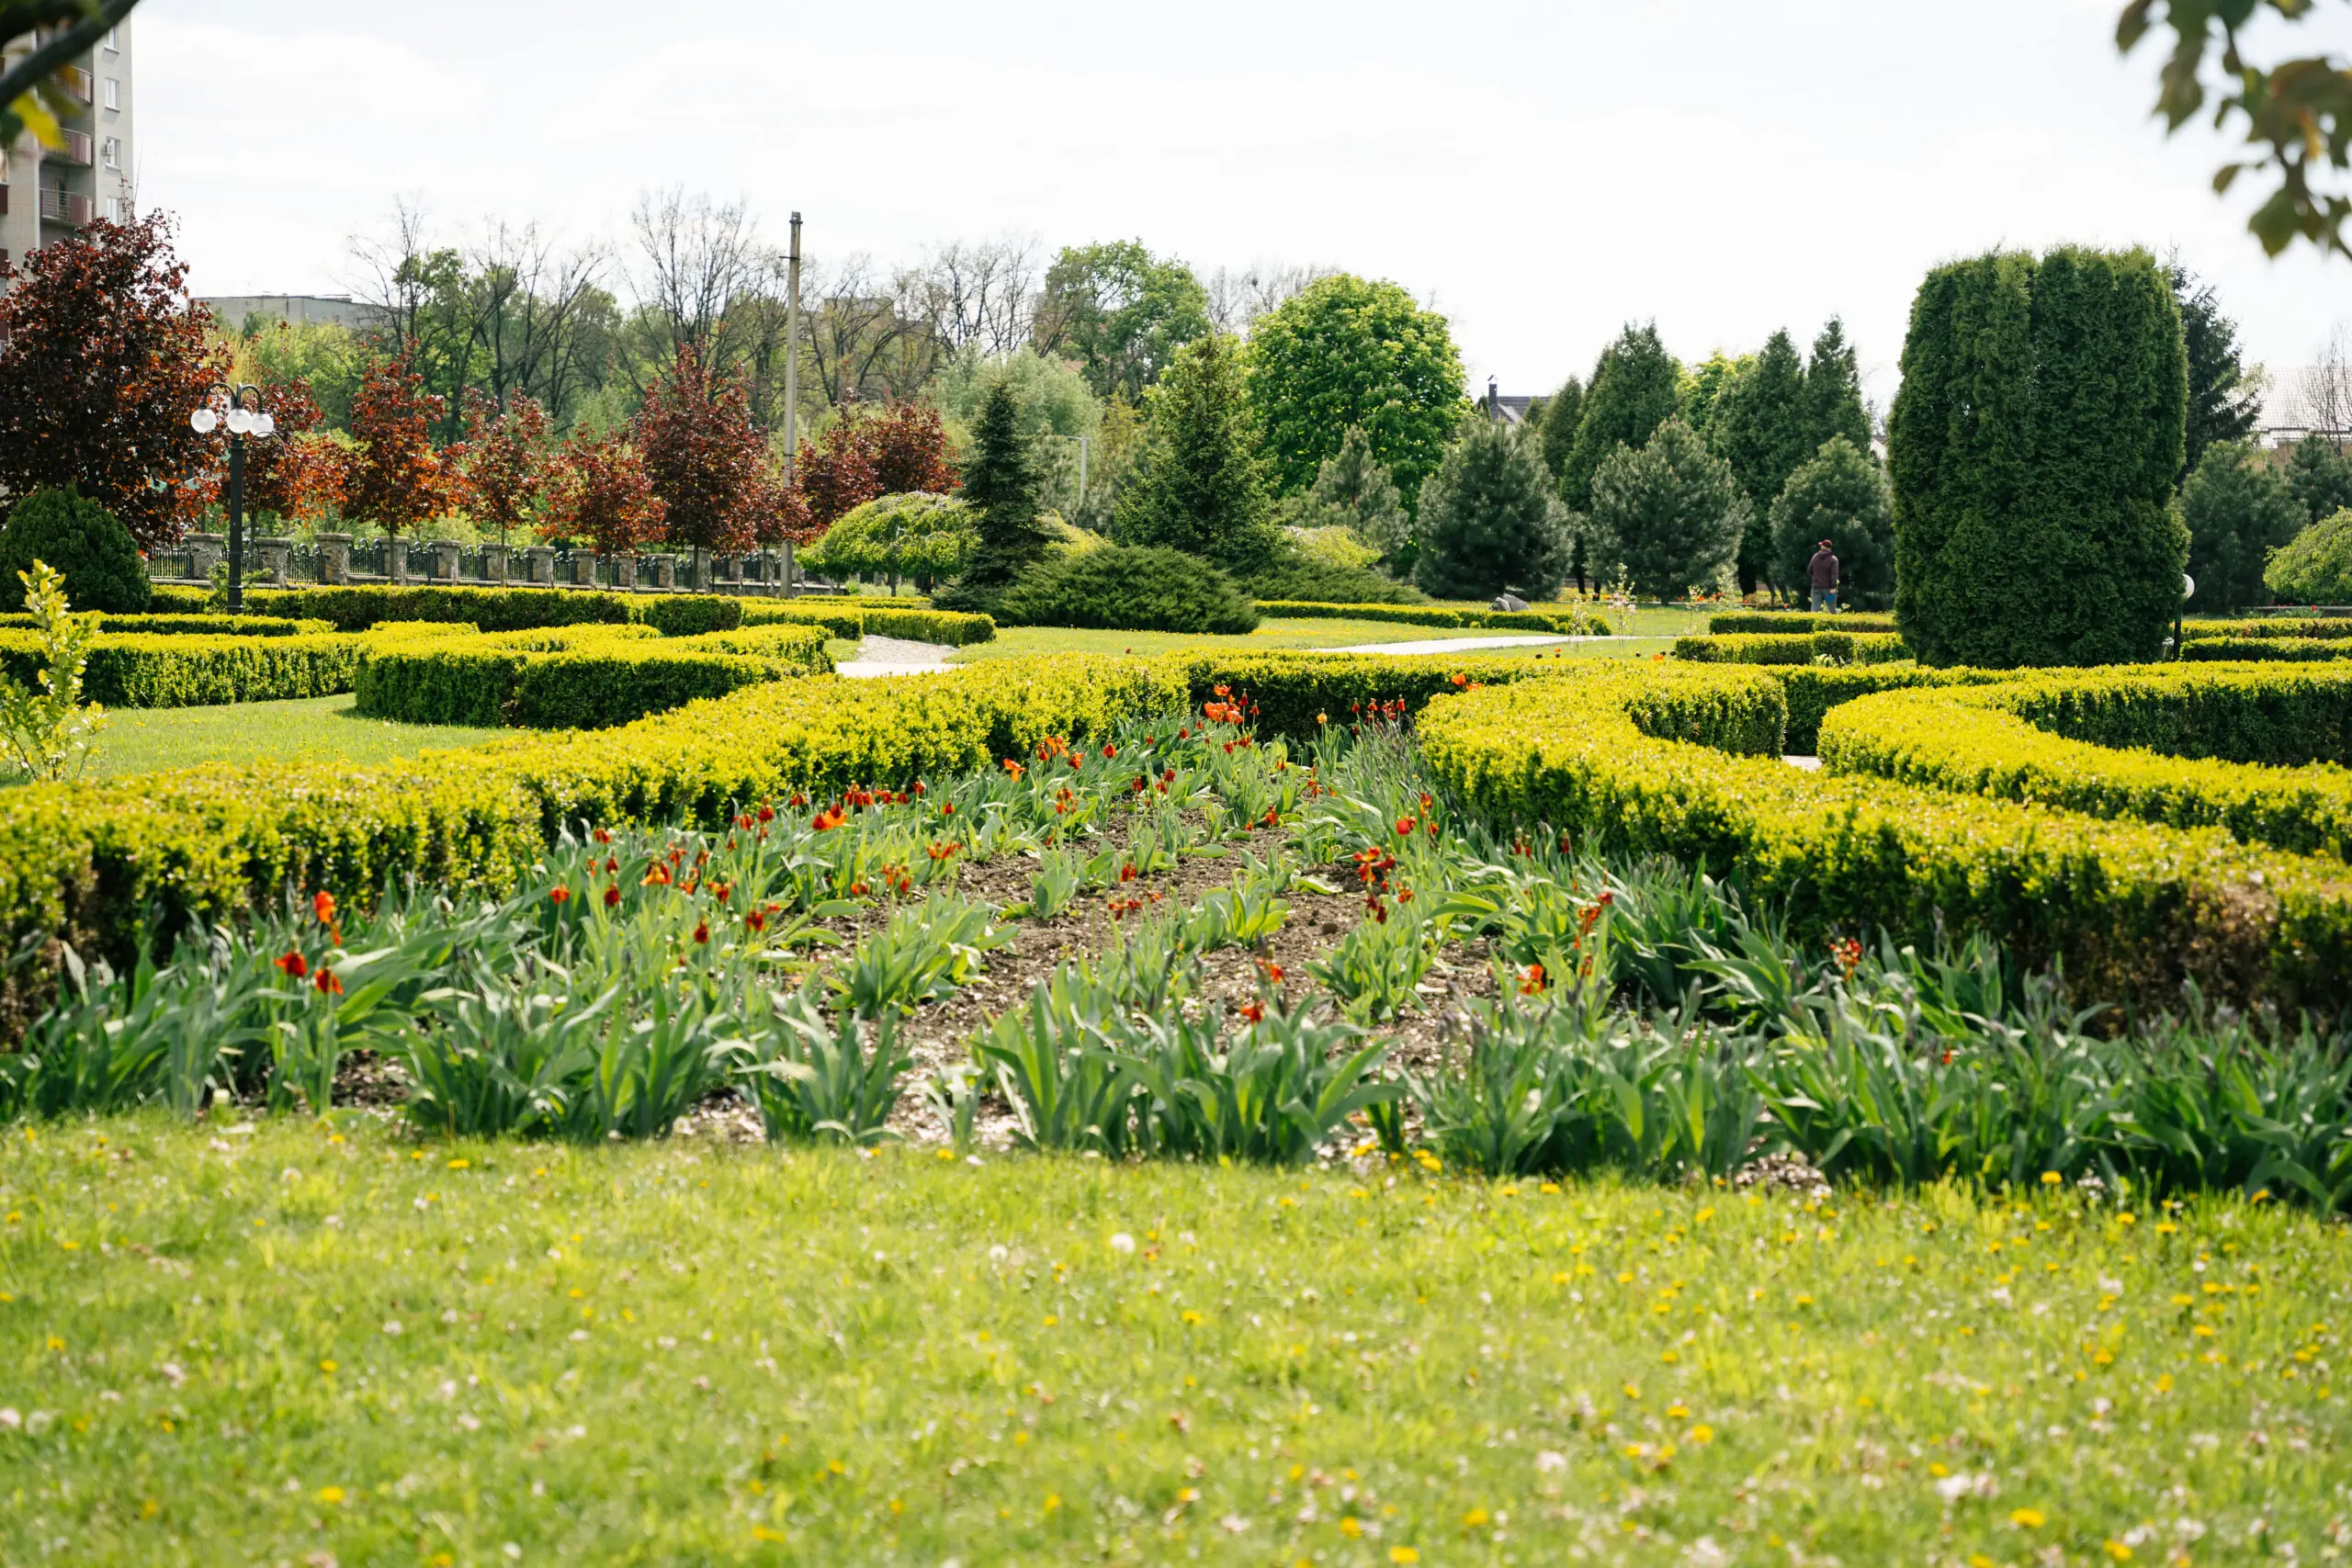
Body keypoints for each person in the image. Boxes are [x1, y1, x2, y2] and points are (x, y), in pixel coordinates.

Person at [1806, 538, 1839, 614]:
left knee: (1815, 611)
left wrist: (1815, 578)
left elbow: (1809, 570)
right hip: (1829, 590)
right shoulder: (1834, 559)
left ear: (1823, 547)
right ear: (1830, 548)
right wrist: (1833, 587)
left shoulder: (1815, 556)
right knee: (1832, 610)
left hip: (1816, 588)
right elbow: (1834, 575)